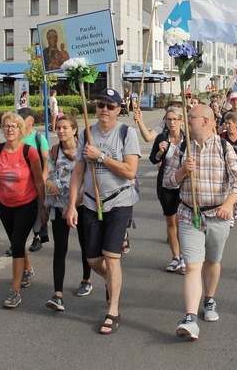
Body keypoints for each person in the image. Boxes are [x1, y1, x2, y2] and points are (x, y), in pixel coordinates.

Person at [166, 104, 237, 341]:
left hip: (218, 215)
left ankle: (209, 299)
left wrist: (228, 204)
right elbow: (168, 181)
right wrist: (181, 171)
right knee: (192, 265)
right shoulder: (182, 147)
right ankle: (190, 318)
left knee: (212, 260)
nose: (186, 121)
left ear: (206, 121)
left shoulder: (224, 148)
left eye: (190, 117)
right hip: (189, 215)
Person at [65, 88, 141, 335]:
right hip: (90, 202)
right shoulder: (87, 132)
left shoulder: (126, 133)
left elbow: (130, 171)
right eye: (100, 105)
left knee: (111, 256)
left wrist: (101, 157)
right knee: (93, 260)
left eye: (110, 106)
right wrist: (71, 204)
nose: (104, 110)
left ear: (119, 109)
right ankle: (113, 281)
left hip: (119, 201)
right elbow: (78, 170)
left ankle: (113, 310)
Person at [0, 112, 45, 309]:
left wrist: (45, 208)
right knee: (15, 241)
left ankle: (14, 291)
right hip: (4, 205)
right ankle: (27, 269)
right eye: (6, 126)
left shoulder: (29, 152)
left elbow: (40, 182)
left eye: (14, 126)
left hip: (27, 203)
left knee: (17, 242)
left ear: (20, 130)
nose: (10, 129)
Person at [44, 115, 93, 311]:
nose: (61, 131)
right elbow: (46, 176)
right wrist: (49, 185)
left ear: (74, 130)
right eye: (58, 128)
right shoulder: (54, 151)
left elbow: (90, 182)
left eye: (65, 128)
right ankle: (57, 294)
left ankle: (86, 279)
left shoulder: (85, 151)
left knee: (85, 244)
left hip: (81, 205)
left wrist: (74, 203)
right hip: (59, 207)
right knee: (60, 248)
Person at [149, 106, 187, 274]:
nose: (171, 122)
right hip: (166, 184)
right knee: (171, 221)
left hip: (185, 185)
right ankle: (175, 256)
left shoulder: (188, 140)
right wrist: (160, 151)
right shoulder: (161, 138)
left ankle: (186, 257)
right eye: (168, 119)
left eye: (174, 119)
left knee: (183, 222)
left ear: (181, 121)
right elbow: (153, 159)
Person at [17, 107, 50, 253]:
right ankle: (17, 240)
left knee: (37, 209)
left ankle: (37, 236)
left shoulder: (39, 138)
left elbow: (46, 161)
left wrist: (43, 179)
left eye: (24, 119)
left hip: (35, 180)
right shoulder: (16, 137)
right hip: (20, 182)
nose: (21, 122)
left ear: (31, 120)